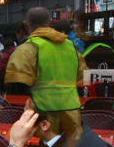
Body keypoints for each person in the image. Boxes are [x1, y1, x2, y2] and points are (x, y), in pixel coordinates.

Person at [5, 7, 87, 135]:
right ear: (49, 24)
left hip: (40, 118)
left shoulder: (26, 50)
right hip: (71, 115)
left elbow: (15, 89)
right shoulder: (71, 48)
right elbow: (83, 78)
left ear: (26, 26)